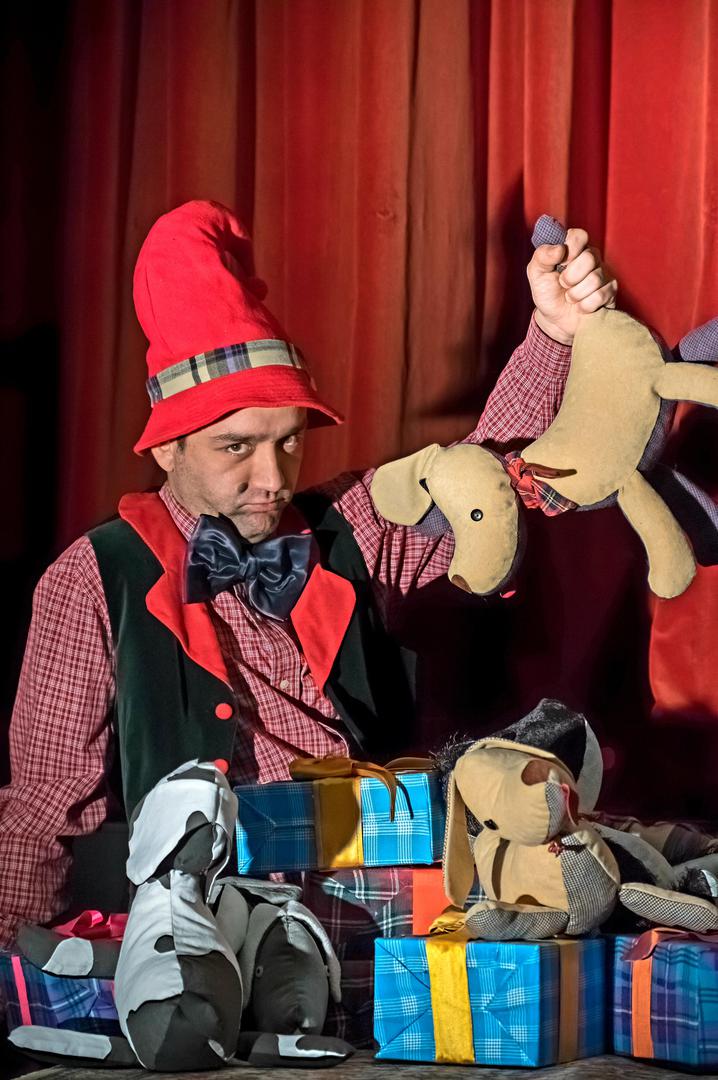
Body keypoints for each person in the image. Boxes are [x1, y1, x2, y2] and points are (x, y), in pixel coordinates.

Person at [0, 200, 617, 948]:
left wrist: (552, 335)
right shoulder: (93, 579)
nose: (272, 479)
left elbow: (480, 483)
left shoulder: (349, 523)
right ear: (167, 447)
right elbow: (42, 814)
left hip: (389, 930)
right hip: (207, 945)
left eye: (289, 442)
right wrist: (12, 970)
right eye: (236, 447)